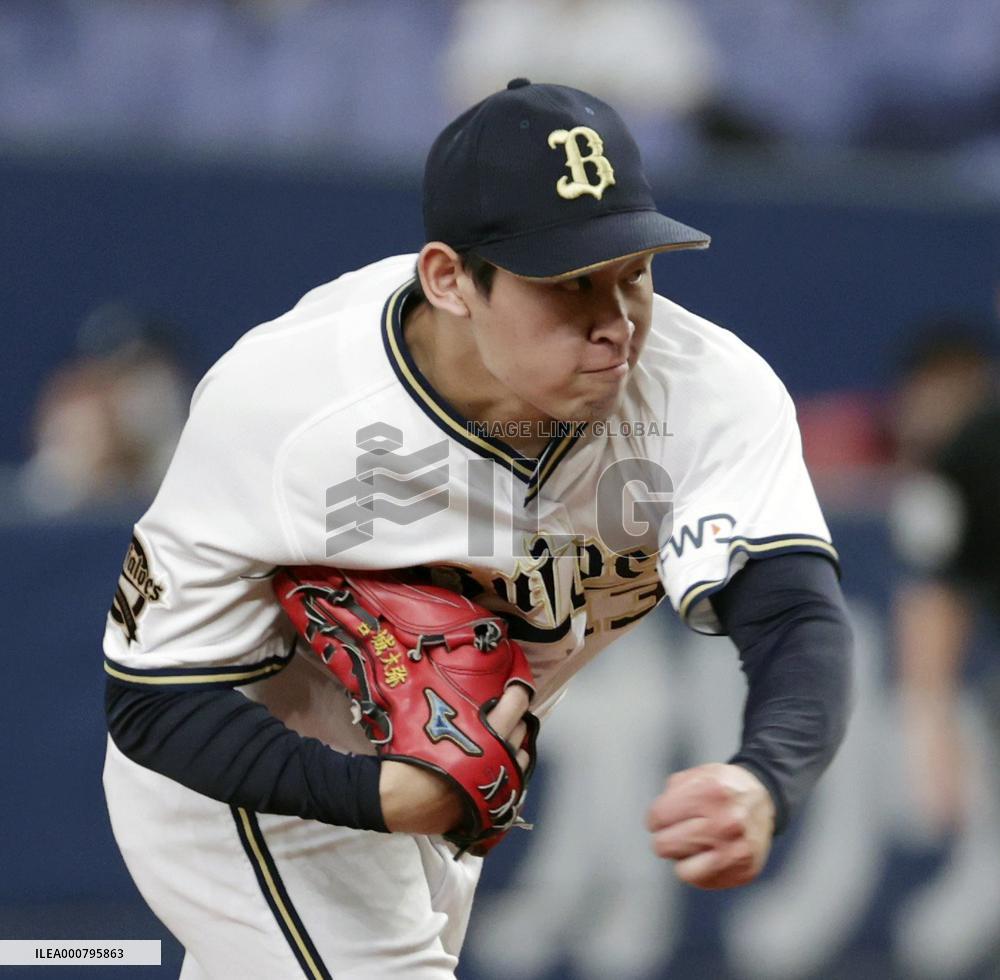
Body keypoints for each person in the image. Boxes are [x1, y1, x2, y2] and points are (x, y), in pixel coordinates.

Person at [102, 79, 853, 979]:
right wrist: (377, 793)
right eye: (570, 283)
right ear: (450, 279)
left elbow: (793, 618)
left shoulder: (708, 394)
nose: (615, 324)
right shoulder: (287, 404)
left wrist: (764, 778)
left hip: (447, 775)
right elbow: (154, 700)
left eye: (634, 273)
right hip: (257, 763)